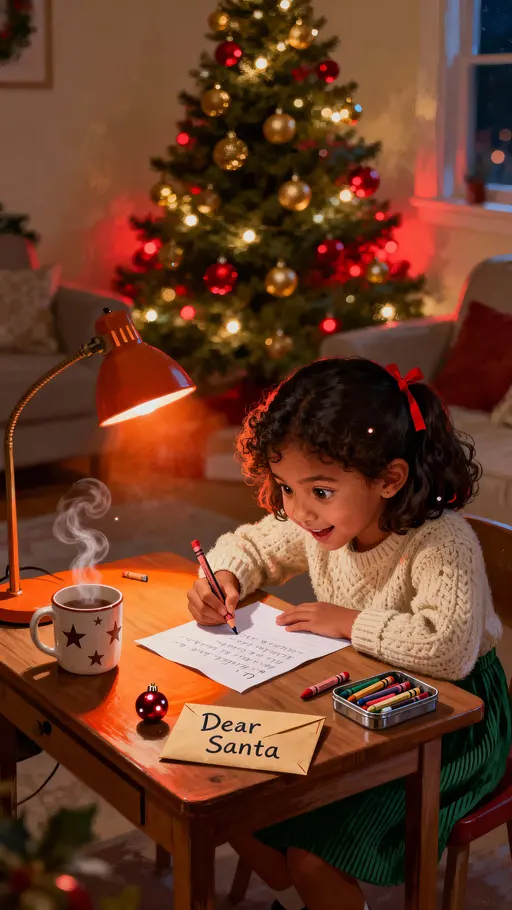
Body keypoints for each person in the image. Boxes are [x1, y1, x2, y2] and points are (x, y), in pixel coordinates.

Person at [187, 358, 511, 910]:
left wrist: (349, 622)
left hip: (454, 723)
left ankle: (317, 880)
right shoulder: (318, 524)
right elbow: (254, 545)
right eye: (286, 488)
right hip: (364, 694)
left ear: (389, 478)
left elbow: (450, 648)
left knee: (315, 854)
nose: (298, 510)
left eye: (319, 490)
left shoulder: (442, 542)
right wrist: (224, 577)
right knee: (220, 790)